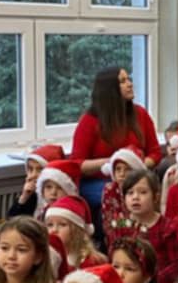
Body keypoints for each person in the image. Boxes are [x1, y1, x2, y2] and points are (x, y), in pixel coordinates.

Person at [69, 67, 161, 229]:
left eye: (129, 79)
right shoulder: (89, 121)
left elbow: (155, 152)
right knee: (118, 195)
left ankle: (146, 235)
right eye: (123, 81)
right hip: (98, 182)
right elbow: (77, 164)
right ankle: (119, 238)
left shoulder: (140, 114)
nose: (130, 84)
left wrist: (135, 166)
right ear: (109, 89)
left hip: (135, 178)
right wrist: (114, 162)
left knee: (139, 194)